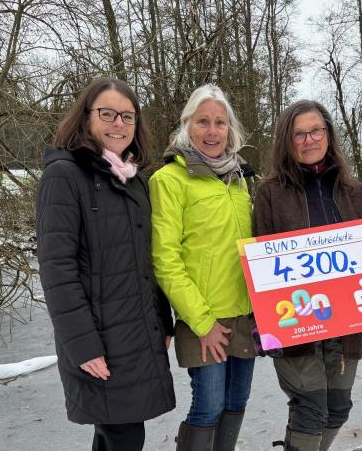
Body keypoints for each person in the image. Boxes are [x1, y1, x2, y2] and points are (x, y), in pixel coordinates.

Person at [36, 78, 176, 450]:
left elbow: (146, 259)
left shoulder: (133, 179)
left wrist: (162, 318)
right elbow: (57, 270)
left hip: (137, 333)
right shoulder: (65, 175)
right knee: (125, 435)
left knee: (115, 434)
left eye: (127, 116)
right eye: (108, 114)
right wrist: (83, 346)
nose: (118, 124)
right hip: (98, 339)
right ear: (86, 118)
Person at [254, 100, 362, 451]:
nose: (309, 140)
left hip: (347, 324)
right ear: (287, 142)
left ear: (328, 134)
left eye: (316, 130)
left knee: (337, 409)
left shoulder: (355, 193)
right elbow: (262, 264)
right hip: (296, 323)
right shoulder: (270, 193)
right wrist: (262, 321)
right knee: (310, 410)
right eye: (299, 134)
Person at [149, 84, 256, 451]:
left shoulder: (239, 179)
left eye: (220, 123)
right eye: (203, 122)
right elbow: (166, 260)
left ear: (230, 129)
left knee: (236, 403)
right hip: (204, 318)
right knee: (208, 406)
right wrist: (203, 322)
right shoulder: (169, 181)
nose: (213, 132)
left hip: (245, 316)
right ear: (187, 126)